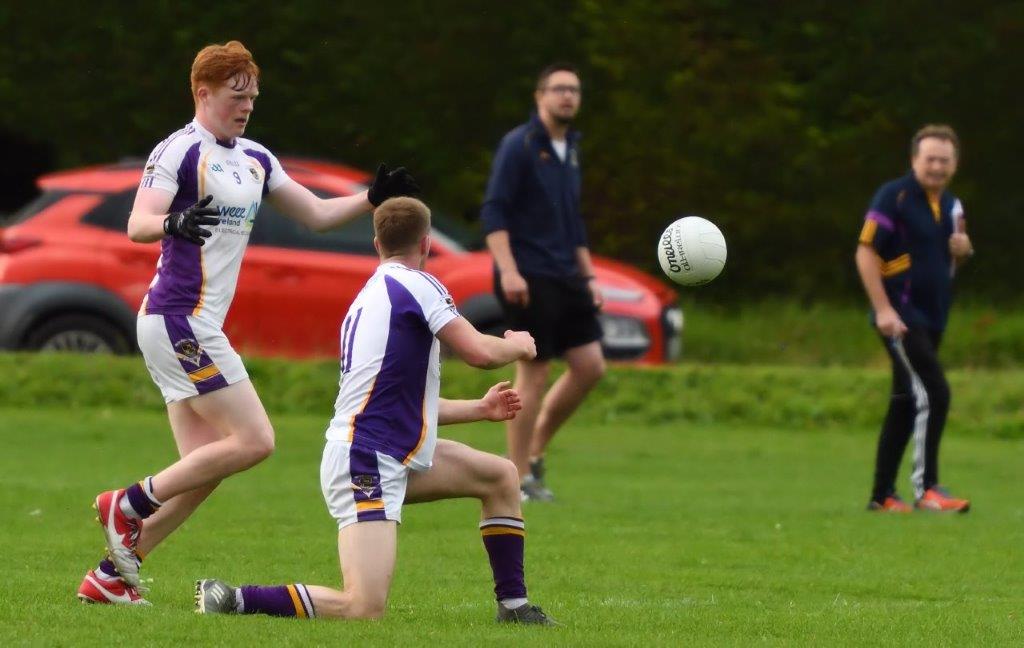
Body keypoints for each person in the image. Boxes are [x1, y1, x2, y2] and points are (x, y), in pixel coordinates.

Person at [77, 40, 419, 605]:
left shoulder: (257, 158)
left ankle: (112, 574)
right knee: (256, 440)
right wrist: (175, 221)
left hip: (187, 325)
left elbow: (314, 215)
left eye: (253, 97)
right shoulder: (179, 151)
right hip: (179, 318)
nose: (246, 105)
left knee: (203, 469)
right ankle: (129, 504)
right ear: (203, 92)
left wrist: (370, 198)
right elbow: (138, 223)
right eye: (237, 95)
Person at [195, 197, 555, 625]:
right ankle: (233, 598)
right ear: (425, 243)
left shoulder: (368, 299)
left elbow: (395, 402)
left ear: (376, 244)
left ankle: (514, 608)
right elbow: (478, 351)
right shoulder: (419, 285)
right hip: (366, 460)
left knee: (500, 476)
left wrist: (481, 407)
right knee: (363, 608)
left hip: (389, 449)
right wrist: (519, 344)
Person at [480, 63, 605, 502]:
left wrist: (588, 276)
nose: (567, 96)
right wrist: (509, 270)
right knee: (534, 373)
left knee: (590, 367)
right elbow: (494, 212)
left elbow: (573, 222)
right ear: (540, 96)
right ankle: (517, 478)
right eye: (559, 89)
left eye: (574, 89)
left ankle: (534, 452)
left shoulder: (570, 146)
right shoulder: (520, 145)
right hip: (529, 274)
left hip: (567, 274)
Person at [855, 124, 974, 514]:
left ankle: (881, 495)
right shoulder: (896, 196)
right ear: (914, 160)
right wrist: (884, 310)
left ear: (954, 164)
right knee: (935, 393)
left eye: (944, 160)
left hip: (932, 317)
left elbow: (947, 262)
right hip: (902, 318)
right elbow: (866, 251)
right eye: (930, 159)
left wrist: (963, 249)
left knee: (905, 400)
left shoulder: (952, 206)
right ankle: (928, 489)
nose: (936, 167)